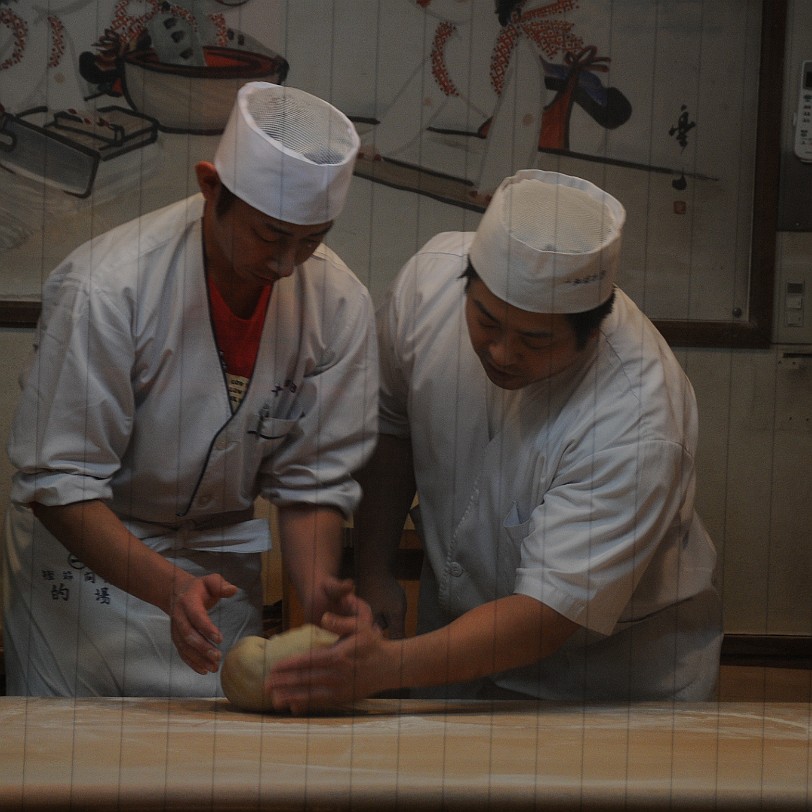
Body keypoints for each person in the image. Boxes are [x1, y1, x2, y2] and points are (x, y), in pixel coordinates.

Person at [267, 169, 723, 713]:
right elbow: (391, 429)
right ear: (468, 280)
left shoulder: (638, 419)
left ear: (593, 330)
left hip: (604, 677)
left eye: (536, 339)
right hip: (453, 641)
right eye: (485, 320)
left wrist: (389, 666)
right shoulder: (428, 286)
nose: (502, 353)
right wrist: (374, 571)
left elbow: (548, 614)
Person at [2, 82, 378, 697]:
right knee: (73, 775)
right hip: (88, 585)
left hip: (218, 574)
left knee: (216, 777)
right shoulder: (108, 288)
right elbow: (57, 481)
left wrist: (320, 603)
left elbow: (312, 481)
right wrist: (169, 586)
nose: (288, 265)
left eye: (311, 240)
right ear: (210, 187)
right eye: (270, 235)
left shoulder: (337, 303)